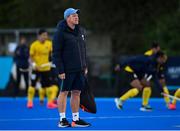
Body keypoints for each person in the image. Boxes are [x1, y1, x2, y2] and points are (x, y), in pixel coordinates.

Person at [52, 8, 90, 127]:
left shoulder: (81, 31)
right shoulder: (60, 33)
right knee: (63, 92)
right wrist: (60, 70)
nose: (76, 17)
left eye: (77, 15)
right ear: (67, 18)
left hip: (79, 69)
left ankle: (76, 119)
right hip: (66, 70)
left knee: (77, 92)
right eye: (73, 15)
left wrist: (84, 65)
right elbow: (56, 53)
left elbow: (83, 50)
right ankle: (62, 120)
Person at [27, 29, 57, 109]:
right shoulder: (34, 45)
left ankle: (50, 103)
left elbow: (53, 54)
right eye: (44, 35)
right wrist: (33, 64)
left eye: (46, 35)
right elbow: (30, 57)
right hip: (36, 69)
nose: (45, 37)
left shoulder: (49, 44)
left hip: (46, 69)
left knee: (48, 86)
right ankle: (30, 102)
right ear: (39, 36)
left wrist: (52, 61)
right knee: (32, 85)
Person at [144, 42, 170, 108]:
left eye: (159, 48)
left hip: (158, 70)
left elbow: (164, 60)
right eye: (157, 48)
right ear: (153, 48)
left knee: (163, 84)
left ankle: (168, 103)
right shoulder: (147, 54)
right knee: (147, 85)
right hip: (150, 71)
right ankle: (144, 104)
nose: (158, 50)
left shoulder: (160, 54)